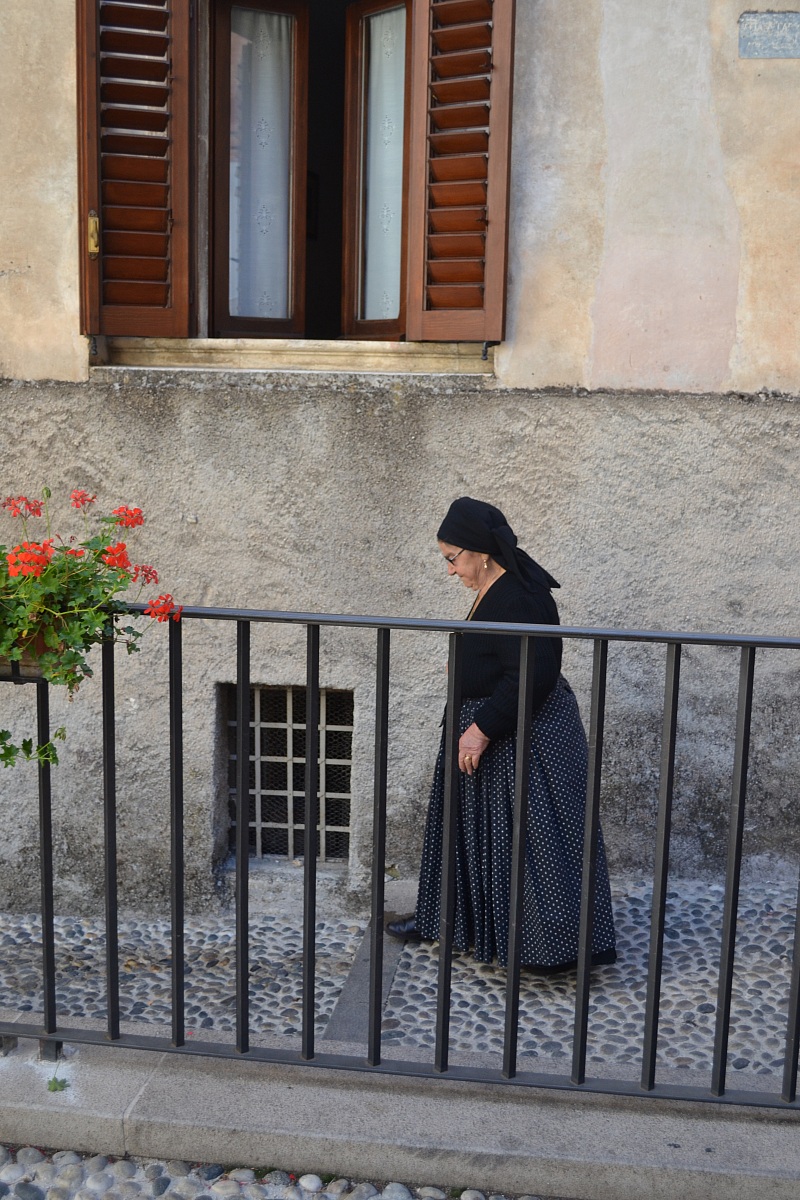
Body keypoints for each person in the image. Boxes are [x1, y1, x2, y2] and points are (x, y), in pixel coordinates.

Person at [387, 497, 616, 971]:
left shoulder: (521, 597)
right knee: (469, 835)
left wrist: (481, 730)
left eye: (453, 559)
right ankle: (449, 924)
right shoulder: (495, 587)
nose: (450, 570)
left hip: (521, 737)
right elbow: (499, 655)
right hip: (492, 731)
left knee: (534, 844)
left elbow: (534, 673)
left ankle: (549, 948)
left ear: (480, 552)